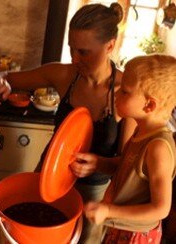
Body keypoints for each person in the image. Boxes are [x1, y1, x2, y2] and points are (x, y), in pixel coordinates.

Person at [0, 3, 136, 243]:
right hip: (47, 178)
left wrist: (98, 163)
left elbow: (127, 165)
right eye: (71, 49)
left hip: (93, 196)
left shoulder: (126, 93)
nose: (74, 59)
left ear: (110, 46)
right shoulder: (64, 76)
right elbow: (5, 78)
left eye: (83, 52)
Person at [71, 54, 176, 243]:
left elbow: (161, 208)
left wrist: (109, 210)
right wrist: (99, 163)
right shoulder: (140, 131)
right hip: (120, 225)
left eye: (125, 91)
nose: (116, 94)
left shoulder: (158, 147)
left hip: (136, 235)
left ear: (149, 105)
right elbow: (130, 168)